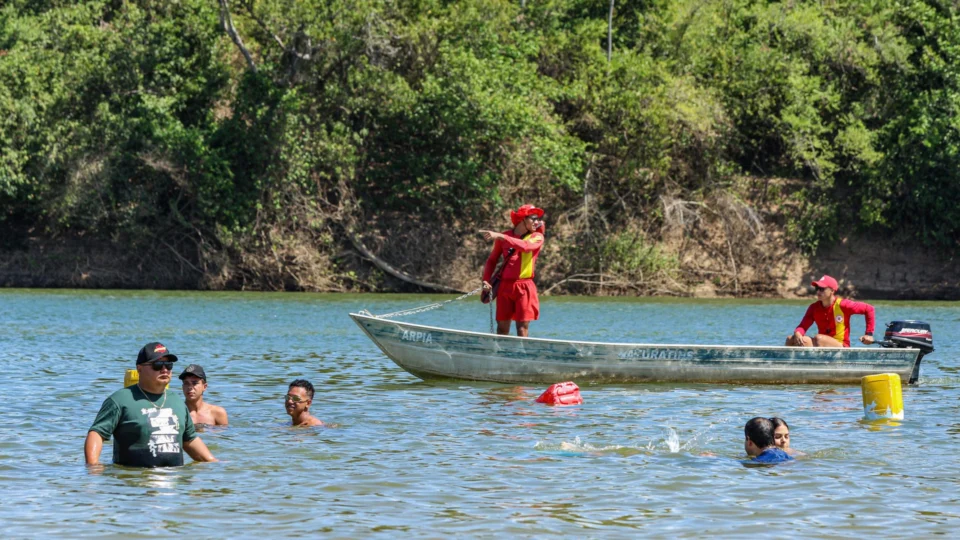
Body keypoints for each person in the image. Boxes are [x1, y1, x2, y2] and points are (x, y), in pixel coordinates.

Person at [85, 342, 218, 467]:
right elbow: (97, 433)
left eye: (168, 365)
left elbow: (189, 440)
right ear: (139, 369)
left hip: (174, 479)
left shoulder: (177, 401)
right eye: (158, 365)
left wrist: (215, 464)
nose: (164, 369)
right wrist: (93, 467)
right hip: (135, 478)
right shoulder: (120, 400)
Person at [479, 204, 546, 337]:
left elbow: (525, 247)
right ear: (522, 219)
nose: (537, 222)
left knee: (522, 329)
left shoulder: (537, 236)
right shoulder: (505, 236)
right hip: (505, 286)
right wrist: (486, 280)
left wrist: (501, 236)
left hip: (524, 287)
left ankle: (522, 350)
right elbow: (492, 260)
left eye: (538, 219)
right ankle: (501, 350)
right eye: (533, 218)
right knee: (502, 329)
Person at [786, 274, 876, 348]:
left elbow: (869, 309)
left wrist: (869, 334)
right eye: (817, 288)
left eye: (822, 289)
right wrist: (798, 332)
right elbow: (802, 326)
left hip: (841, 345)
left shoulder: (843, 305)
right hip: (821, 343)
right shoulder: (813, 308)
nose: (818, 292)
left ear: (832, 291)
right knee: (790, 339)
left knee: (819, 338)